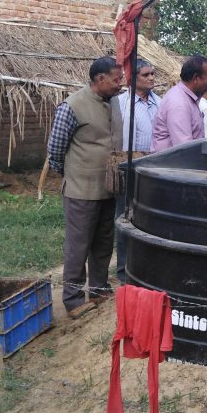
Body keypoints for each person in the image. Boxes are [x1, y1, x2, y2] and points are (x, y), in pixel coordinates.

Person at [47, 56, 124, 316]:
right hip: (81, 190)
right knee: (78, 245)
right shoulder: (72, 106)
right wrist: (74, 174)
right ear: (100, 79)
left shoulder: (113, 102)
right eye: (116, 79)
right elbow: (55, 151)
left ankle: (99, 289)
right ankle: (73, 299)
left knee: (103, 242)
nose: (120, 83)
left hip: (108, 188)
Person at [111, 60, 161, 283]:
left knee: (150, 220)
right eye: (145, 75)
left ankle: (148, 268)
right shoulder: (120, 103)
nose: (151, 78)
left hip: (152, 169)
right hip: (128, 168)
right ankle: (124, 270)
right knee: (124, 218)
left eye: (152, 73)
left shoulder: (160, 103)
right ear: (133, 78)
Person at [151, 55, 207, 151]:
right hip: (171, 164)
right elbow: (184, 149)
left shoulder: (188, 99)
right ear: (196, 78)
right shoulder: (179, 103)